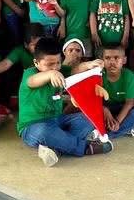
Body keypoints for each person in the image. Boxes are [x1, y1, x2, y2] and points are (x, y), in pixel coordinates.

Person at [18, 36, 113, 167]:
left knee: (87, 118)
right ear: (36, 63)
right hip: (32, 127)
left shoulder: (61, 70)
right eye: (49, 64)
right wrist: (50, 74)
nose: (55, 67)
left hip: (58, 121)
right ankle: (84, 148)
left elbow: (75, 70)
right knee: (43, 131)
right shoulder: (29, 74)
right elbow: (33, 81)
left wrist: (88, 65)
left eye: (58, 63)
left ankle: (56, 149)